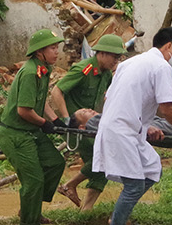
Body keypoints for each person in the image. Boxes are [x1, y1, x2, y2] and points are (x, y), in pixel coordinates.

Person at [92, 28, 172, 225]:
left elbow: (110, 96)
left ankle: (119, 217)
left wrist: (145, 123)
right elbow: (167, 109)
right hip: (122, 130)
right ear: (169, 46)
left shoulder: (130, 63)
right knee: (133, 184)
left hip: (127, 128)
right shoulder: (161, 67)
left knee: (151, 169)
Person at [0, 29, 70, 225]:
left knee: (55, 163)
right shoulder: (30, 73)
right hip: (16, 134)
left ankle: (32, 207)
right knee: (34, 179)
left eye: (57, 48)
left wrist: (54, 120)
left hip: (31, 130)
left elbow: (42, 101)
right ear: (40, 51)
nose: (57, 52)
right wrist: (44, 123)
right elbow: (24, 111)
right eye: (53, 48)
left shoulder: (43, 70)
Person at [55, 33, 128, 211]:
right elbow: (57, 91)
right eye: (114, 56)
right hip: (78, 126)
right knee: (104, 158)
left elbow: (110, 96)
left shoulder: (106, 74)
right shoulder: (83, 69)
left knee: (102, 168)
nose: (116, 61)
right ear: (101, 54)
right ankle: (70, 185)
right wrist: (66, 120)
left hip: (93, 126)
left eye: (119, 58)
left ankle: (85, 209)